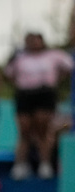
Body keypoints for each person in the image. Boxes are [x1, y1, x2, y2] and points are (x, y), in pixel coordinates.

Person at [5, 32, 73, 180]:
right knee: (24, 130)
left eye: (36, 41)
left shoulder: (54, 55)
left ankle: (45, 164)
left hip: (45, 95)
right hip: (25, 95)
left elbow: (69, 68)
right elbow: (8, 74)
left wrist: (58, 80)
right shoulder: (20, 57)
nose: (33, 44)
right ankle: (20, 165)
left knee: (43, 128)